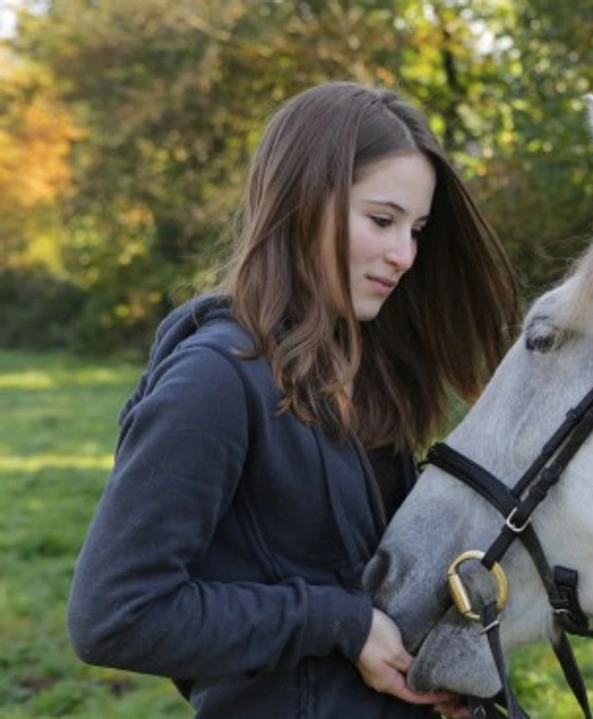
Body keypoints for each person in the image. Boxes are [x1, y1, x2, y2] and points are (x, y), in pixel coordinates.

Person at [67, 81, 518, 718]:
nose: (404, 255)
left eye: (415, 230)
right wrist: (337, 622)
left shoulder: (362, 368)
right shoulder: (215, 382)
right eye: (382, 221)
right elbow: (115, 614)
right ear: (302, 202)